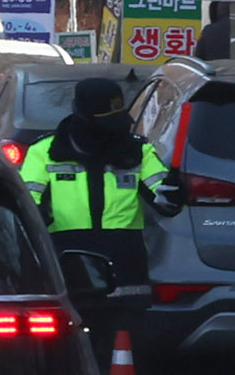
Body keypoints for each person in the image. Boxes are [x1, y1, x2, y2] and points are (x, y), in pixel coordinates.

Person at [22, 77, 173, 287]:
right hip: (69, 263)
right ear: (84, 118)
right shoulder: (44, 152)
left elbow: (165, 199)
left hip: (125, 265)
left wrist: (176, 193)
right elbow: (28, 206)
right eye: (106, 123)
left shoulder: (138, 151)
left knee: (128, 319)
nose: (114, 131)